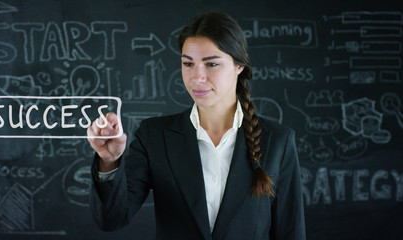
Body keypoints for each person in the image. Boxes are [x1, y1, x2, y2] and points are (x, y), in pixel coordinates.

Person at [87, 12, 306, 240]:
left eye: (211, 64)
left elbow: (290, 232)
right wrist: (109, 162)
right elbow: (111, 219)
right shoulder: (155, 136)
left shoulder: (277, 140)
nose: (197, 77)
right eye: (188, 63)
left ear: (239, 65)